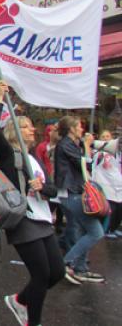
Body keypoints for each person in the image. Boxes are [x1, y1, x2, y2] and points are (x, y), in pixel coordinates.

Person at [0, 81, 65, 326]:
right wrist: (0, 98)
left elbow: (52, 189)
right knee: (41, 275)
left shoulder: (34, 160)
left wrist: (42, 188)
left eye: (32, 127)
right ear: (15, 131)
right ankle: (33, 321)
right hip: (22, 221)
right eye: (26, 127)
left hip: (42, 219)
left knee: (57, 273)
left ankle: (19, 300)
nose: (32, 131)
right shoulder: (8, 155)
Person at [54, 115, 104, 284]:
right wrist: (88, 147)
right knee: (96, 232)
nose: (82, 129)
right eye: (79, 126)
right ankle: (65, 263)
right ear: (71, 129)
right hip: (71, 193)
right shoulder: (65, 145)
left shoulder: (72, 144)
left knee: (83, 231)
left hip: (75, 192)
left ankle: (80, 268)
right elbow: (84, 165)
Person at [92, 130, 122, 238]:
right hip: (106, 187)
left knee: (119, 209)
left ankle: (113, 228)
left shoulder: (116, 153)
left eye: (108, 136)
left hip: (117, 187)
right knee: (110, 210)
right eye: (103, 136)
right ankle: (107, 230)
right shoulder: (99, 154)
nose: (105, 138)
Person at [34, 124, 64, 233]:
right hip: (47, 175)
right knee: (50, 201)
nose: (52, 132)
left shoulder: (61, 145)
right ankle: (45, 222)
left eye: (54, 130)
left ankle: (59, 223)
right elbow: (39, 160)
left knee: (59, 201)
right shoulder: (42, 146)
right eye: (50, 130)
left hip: (58, 176)